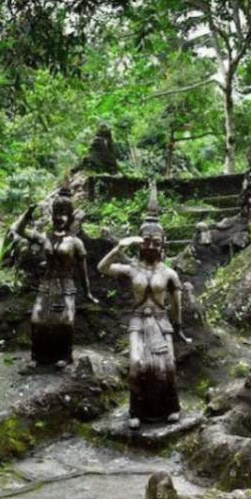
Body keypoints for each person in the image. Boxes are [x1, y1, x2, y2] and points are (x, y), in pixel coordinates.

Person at [98, 182, 188, 429]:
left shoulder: (169, 273)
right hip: (138, 320)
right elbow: (102, 268)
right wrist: (118, 249)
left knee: (166, 367)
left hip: (161, 321)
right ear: (140, 243)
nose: (151, 245)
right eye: (146, 240)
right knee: (138, 365)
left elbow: (176, 303)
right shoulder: (131, 268)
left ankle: (171, 407)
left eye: (156, 241)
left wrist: (178, 326)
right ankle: (135, 410)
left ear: (163, 243)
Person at [11, 180, 98, 369]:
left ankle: (65, 356)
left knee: (65, 322)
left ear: (70, 216)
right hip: (46, 285)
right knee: (38, 319)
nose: (60, 218)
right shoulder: (44, 238)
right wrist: (28, 213)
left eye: (64, 214)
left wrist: (88, 292)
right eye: (57, 213)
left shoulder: (75, 242)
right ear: (52, 215)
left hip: (66, 286)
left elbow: (83, 270)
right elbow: (18, 230)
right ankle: (38, 356)